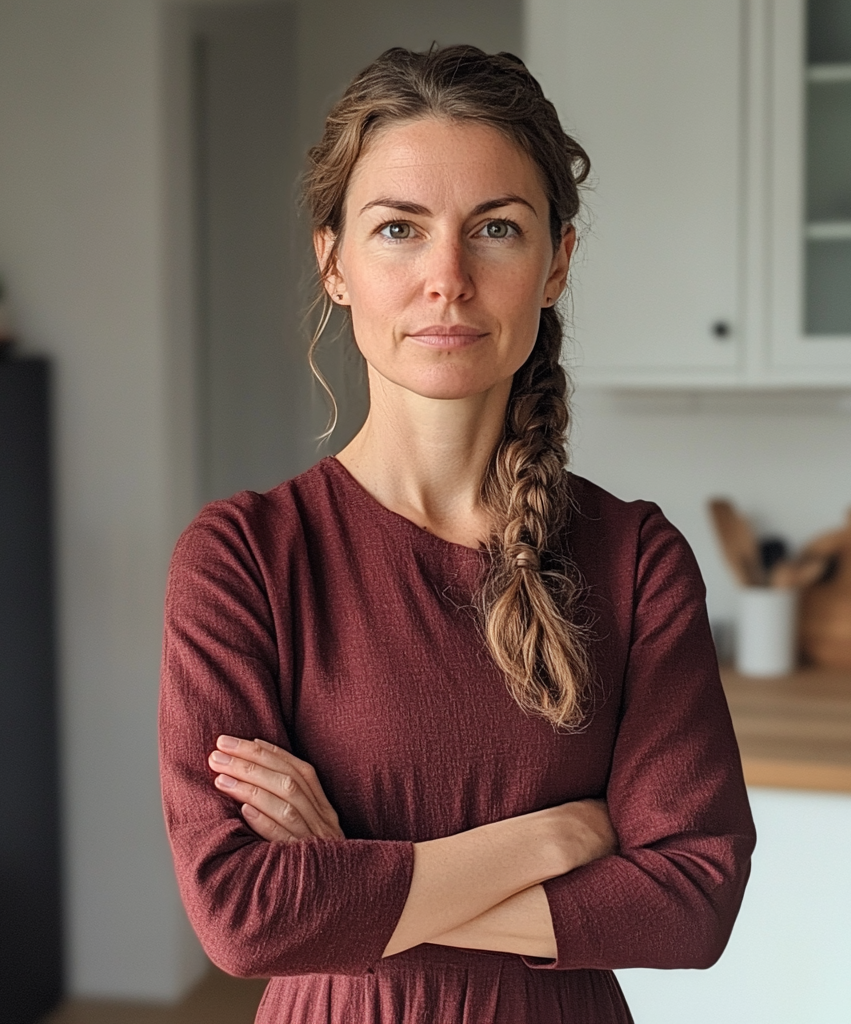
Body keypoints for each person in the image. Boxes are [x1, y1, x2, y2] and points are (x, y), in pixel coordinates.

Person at [159, 44, 755, 1024]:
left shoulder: (635, 558)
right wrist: (557, 839)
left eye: (496, 230)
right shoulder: (244, 558)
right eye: (398, 228)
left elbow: (691, 903)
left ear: (554, 262)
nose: (447, 277)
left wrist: (348, 880)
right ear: (334, 261)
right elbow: (245, 917)